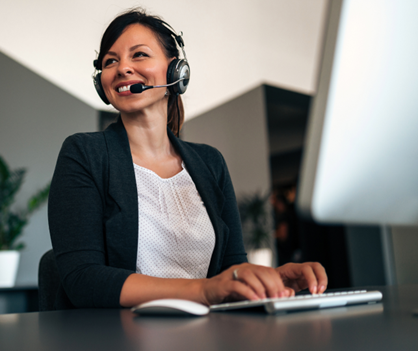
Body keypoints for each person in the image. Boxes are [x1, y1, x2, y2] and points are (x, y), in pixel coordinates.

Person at [48, 8, 327, 310]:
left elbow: (231, 267)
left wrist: (267, 281)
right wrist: (204, 290)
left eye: (139, 55)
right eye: (110, 61)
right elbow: (83, 279)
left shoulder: (210, 163)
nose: (122, 68)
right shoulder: (84, 154)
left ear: (176, 70)